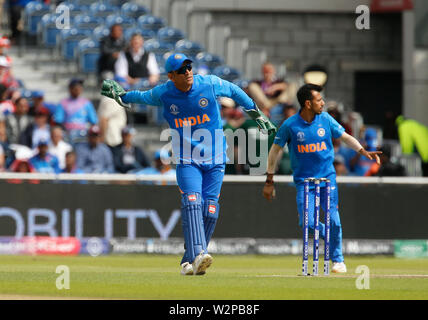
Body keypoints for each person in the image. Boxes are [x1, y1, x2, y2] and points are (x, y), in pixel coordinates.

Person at [101, 53, 276, 276]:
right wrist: (122, 96)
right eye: (182, 70)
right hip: (187, 160)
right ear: (172, 75)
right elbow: (141, 96)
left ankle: (189, 261)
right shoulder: (164, 92)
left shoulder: (209, 83)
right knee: (192, 202)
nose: (188, 72)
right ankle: (200, 254)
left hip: (216, 159)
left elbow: (234, 91)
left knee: (210, 211)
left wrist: (257, 114)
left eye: (189, 67)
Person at [262, 83, 381, 274]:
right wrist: (269, 180)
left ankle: (338, 260)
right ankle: (330, 236)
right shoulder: (290, 125)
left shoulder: (325, 119)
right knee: (307, 223)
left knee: (334, 220)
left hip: (327, 179)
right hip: (304, 182)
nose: (323, 103)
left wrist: (362, 150)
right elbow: (274, 151)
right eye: (319, 100)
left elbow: (345, 137)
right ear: (308, 103)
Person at [54, 78, 98, 144]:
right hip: (68, 135)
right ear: (70, 89)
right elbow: (58, 121)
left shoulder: (86, 103)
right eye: (75, 88)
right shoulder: (63, 103)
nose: (78, 89)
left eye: (80, 87)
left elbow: (94, 121)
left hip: (83, 135)